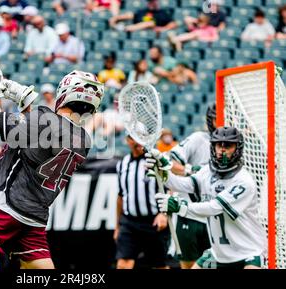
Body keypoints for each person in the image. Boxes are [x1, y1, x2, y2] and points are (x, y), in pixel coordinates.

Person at [0, 67, 104, 269]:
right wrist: (25, 106)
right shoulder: (83, 140)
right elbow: (39, 141)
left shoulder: (44, 119)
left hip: (4, 205)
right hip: (33, 218)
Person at [146, 127, 266, 269]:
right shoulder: (207, 173)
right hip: (218, 255)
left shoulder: (244, 181)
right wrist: (163, 174)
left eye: (228, 145)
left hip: (247, 253)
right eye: (218, 145)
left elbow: (214, 207)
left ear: (238, 149)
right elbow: (183, 184)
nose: (222, 150)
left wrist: (181, 207)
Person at [167, 104, 215, 269]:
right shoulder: (199, 139)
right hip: (190, 215)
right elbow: (170, 163)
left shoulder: (233, 146)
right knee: (188, 265)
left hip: (215, 217)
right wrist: (190, 170)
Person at [114, 134, 169, 269]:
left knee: (159, 265)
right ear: (127, 141)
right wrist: (117, 226)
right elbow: (121, 197)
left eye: (140, 137)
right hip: (129, 222)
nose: (137, 142)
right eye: (133, 138)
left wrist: (164, 213)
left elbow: (171, 188)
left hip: (154, 221)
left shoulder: (156, 160)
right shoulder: (122, 164)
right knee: (123, 264)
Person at [109, 0, 176, 33]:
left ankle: (124, 28)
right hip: (137, 31)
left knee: (150, 23)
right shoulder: (142, 11)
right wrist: (116, 18)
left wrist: (162, 29)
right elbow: (132, 15)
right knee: (129, 14)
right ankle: (117, 22)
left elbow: (173, 24)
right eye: (149, 2)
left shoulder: (162, 13)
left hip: (151, 31)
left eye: (152, 1)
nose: (151, 4)